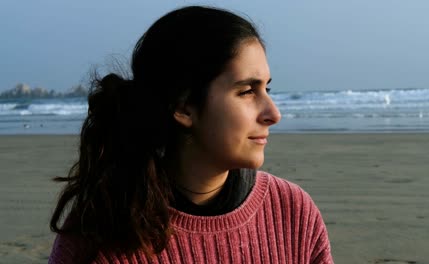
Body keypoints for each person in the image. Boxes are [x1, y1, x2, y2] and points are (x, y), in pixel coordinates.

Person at [49, 5, 333, 264]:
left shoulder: (292, 212)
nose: (273, 113)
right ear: (183, 107)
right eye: (247, 91)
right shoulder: (101, 229)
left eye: (266, 89)